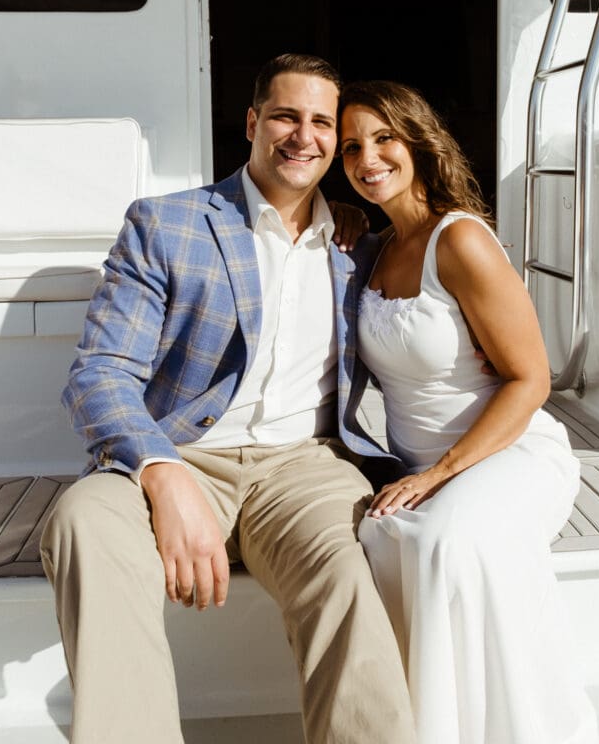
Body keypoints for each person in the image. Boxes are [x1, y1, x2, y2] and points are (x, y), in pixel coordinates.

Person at [40, 54, 417, 744]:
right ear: (252, 123)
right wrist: (161, 470)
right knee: (81, 522)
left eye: (321, 123)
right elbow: (100, 371)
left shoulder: (359, 241)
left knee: (346, 569)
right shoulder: (168, 224)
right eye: (284, 116)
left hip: (304, 466)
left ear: (336, 140)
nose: (303, 136)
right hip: (179, 451)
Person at [338, 79, 599, 744]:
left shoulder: (459, 241)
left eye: (383, 138)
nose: (367, 158)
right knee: (380, 537)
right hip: (421, 466)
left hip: (507, 452)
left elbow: (529, 379)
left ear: (419, 142)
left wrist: (437, 475)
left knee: (445, 545)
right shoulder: (370, 248)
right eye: (350, 148)